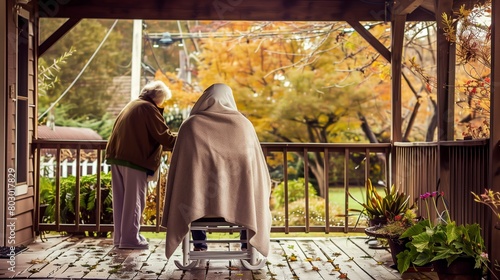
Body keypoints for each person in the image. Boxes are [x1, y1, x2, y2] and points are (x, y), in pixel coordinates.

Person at [161, 83, 272, 259]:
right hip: (240, 208)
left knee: (192, 192)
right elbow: (257, 171)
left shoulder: (190, 125)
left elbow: (180, 172)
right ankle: (245, 244)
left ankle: (200, 245)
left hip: (198, 210)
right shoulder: (243, 126)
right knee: (250, 193)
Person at [106, 80, 177, 249]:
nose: (162, 103)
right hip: (134, 159)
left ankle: (121, 238)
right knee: (134, 200)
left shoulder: (133, 104)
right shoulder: (147, 108)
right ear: (158, 97)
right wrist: (188, 137)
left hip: (117, 156)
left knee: (121, 201)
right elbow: (165, 137)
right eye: (162, 100)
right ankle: (131, 239)